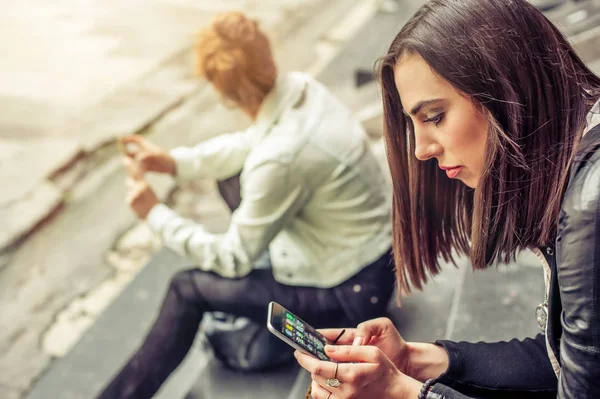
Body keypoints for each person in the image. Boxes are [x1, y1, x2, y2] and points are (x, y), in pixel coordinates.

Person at [294, 0, 600, 398]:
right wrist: (418, 361)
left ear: (507, 88)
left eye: (435, 116)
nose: (420, 149)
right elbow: (568, 362)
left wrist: (403, 393)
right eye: (413, 123)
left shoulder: (589, 210)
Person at [98, 11, 395, 399]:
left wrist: (154, 213)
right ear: (269, 56)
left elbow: (233, 257)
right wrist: (172, 163)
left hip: (351, 295)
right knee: (234, 175)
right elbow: (250, 144)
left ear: (224, 94)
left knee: (187, 288)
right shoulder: (301, 90)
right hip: (371, 259)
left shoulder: (280, 158)